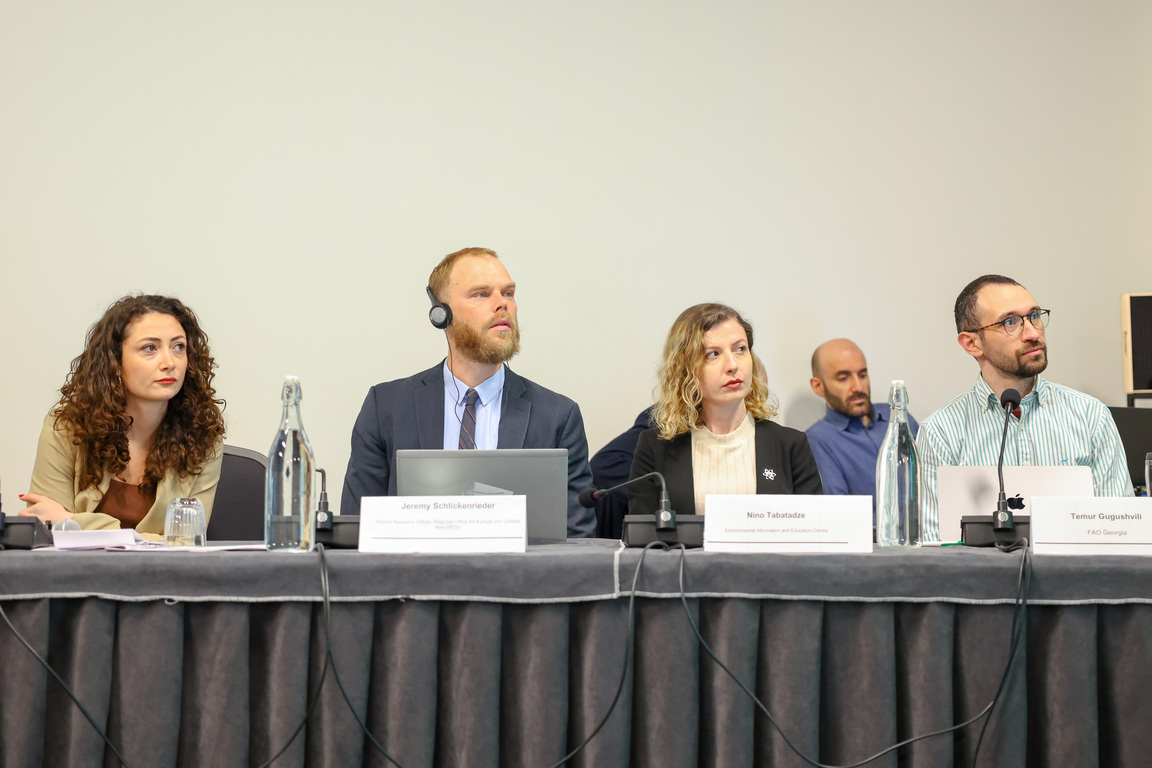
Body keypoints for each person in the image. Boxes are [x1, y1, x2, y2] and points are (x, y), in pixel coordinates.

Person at [340, 247, 597, 537]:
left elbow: (579, 540)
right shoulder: (386, 408)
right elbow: (357, 531)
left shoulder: (557, 417)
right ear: (442, 314)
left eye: (508, 293)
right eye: (481, 294)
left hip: (518, 568)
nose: (502, 304)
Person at [916, 274, 1134, 540]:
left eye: (1034, 316)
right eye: (1010, 322)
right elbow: (935, 544)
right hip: (980, 569)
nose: (1033, 333)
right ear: (972, 344)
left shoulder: (1091, 417)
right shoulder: (940, 433)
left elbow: (1122, 534)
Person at [21, 295, 226, 536]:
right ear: (115, 362)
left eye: (178, 347)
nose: (170, 362)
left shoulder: (203, 438)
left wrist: (74, 522)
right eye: (150, 348)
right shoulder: (66, 428)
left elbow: (185, 543)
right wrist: (150, 542)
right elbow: (47, 532)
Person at [628, 303, 823, 515]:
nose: (732, 365)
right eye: (713, 354)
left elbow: (813, 527)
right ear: (685, 369)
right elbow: (643, 531)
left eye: (740, 349)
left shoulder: (791, 445)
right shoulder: (654, 448)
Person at [805, 339, 918, 506]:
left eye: (862, 375)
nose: (858, 387)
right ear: (818, 386)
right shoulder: (818, 440)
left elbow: (932, 481)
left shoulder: (898, 416)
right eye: (843, 378)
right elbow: (839, 510)